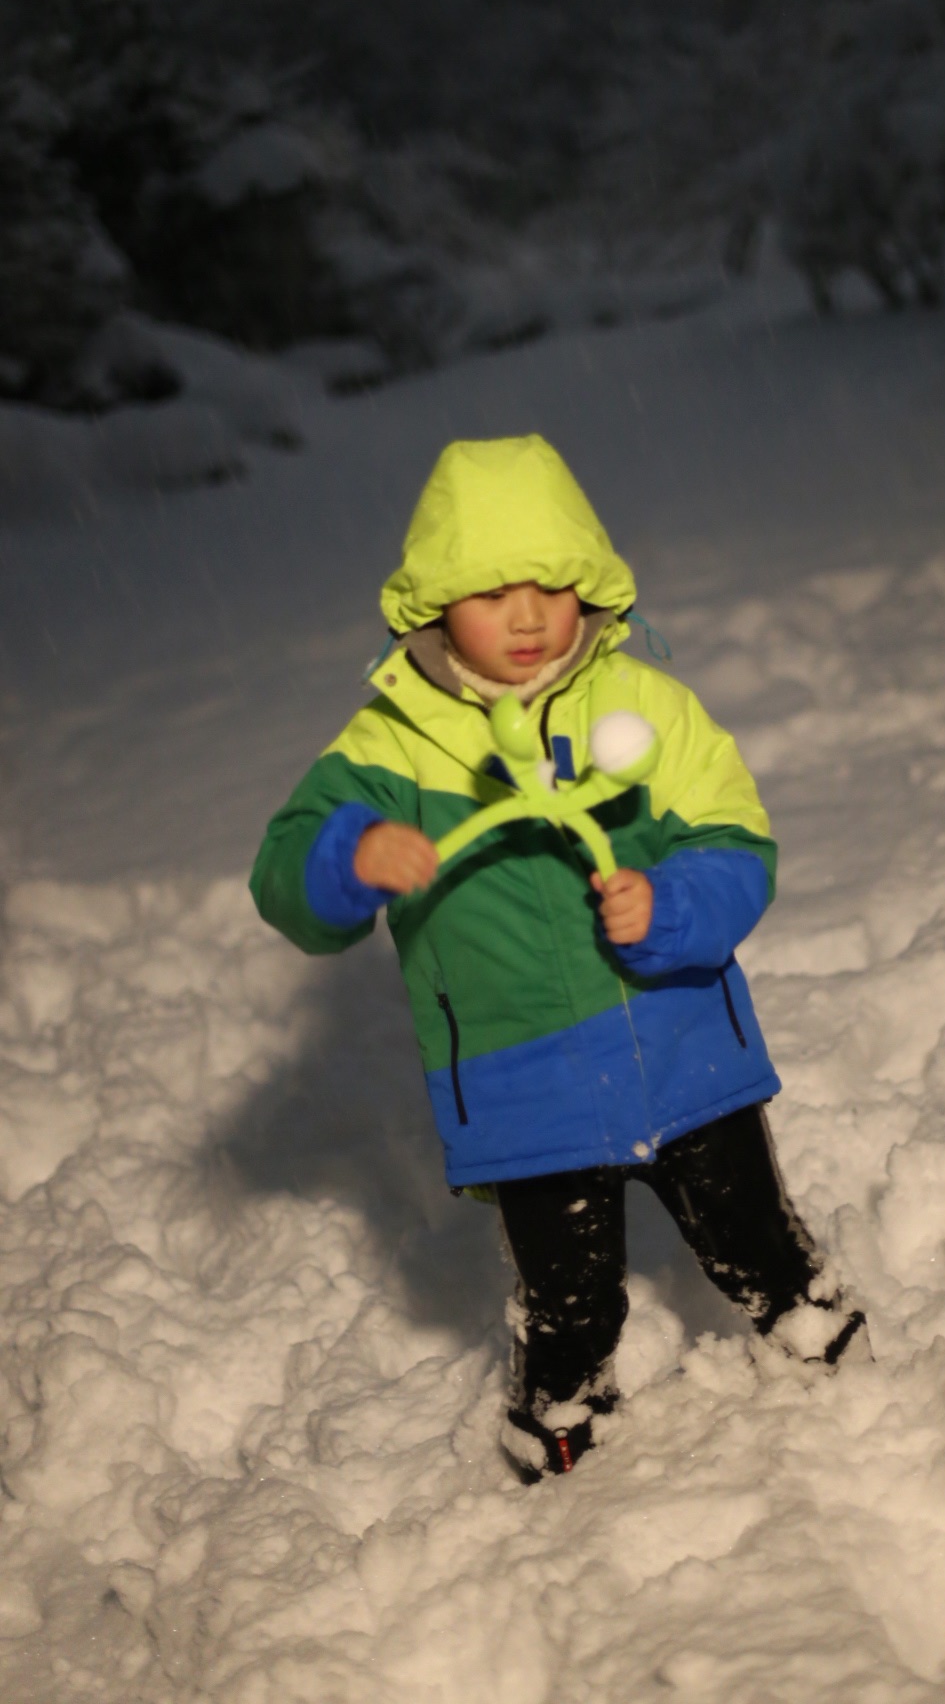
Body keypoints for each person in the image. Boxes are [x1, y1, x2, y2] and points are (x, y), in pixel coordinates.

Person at [250, 434, 870, 1482]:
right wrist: (346, 855)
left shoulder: (642, 708)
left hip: (673, 1033)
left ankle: (794, 1300)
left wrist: (671, 904)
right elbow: (283, 876)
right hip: (516, 1072)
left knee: (741, 1213)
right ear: (434, 607)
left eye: (549, 585)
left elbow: (736, 839)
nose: (528, 616)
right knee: (564, 1279)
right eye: (490, 593)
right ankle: (567, 1385)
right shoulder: (393, 748)